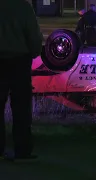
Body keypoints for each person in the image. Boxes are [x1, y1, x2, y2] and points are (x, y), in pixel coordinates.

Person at [0, 0, 43, 160]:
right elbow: (33, 35)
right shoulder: (23, 7)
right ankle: (22, 149)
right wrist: (33, 52)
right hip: (19, 60)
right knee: (21, 107)